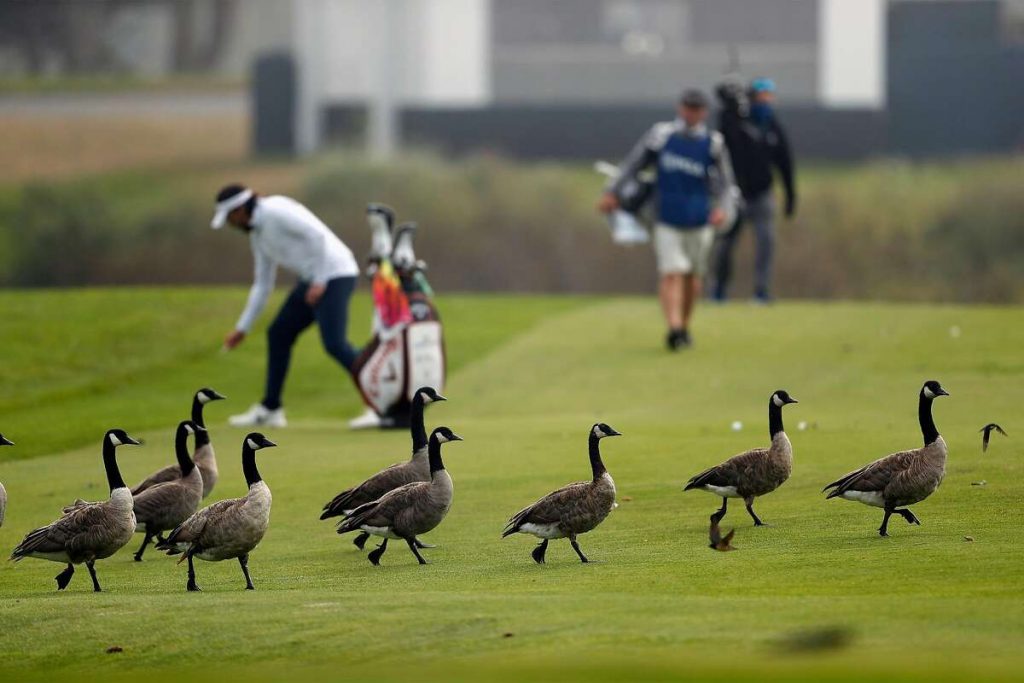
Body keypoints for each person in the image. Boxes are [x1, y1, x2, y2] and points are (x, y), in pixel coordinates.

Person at [211, 184, 360, 427]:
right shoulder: (258, 234)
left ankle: (384, 397)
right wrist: (242, 328)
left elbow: (317, 236)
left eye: (229, 218)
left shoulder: (275, 210)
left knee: (334, 344)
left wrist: (320, 281)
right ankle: (271, 409)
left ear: (239, 210)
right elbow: (263, 284)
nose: (230, 224)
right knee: (279, 334)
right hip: (314, 279)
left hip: (336, 272)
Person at [599, 89, 736, 350]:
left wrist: (723, 209)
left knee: (692, 278)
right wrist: (612, 193)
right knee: (670, 273)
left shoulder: (713, 144)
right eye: (687, 107)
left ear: (703, 113)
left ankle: (684, 326)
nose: (691, 113)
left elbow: (726, 184)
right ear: (680, 108)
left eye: (696, 109)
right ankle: (673, 329)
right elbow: (632, 165)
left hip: (699, 219)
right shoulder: (661, 136)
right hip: (666, 217)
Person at [712, 77, 796, 304]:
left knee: (766, 244)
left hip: (762, 194)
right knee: (726, 245)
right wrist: (729, 103)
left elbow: (785, 163)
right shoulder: (738, 122)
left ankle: (761, 291)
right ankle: (718, 290)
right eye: (761, 98)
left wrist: (790, 196)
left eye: (769, 98)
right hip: (735, 194)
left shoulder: (773, 127)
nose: (766, 102)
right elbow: (724, 134)